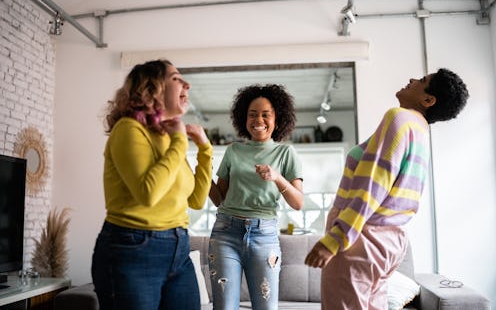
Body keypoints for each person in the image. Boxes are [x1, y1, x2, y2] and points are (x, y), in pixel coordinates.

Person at [305, 68, 469, 310]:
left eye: (422, 81)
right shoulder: (421, 131)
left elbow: (373, 184)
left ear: (428, 100)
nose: (412, 79)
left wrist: (335, 238)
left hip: (360, 239)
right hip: (389, 242)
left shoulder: (399, 118)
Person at [91, 59, 213, 310]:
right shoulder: (128, 129)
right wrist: (180, 141)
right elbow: (148, 193)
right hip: (132, 248)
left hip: (179, 249)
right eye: (177, 78)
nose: (187, 84)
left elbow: (197, 200)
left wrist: (204, 148)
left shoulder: (168, 138)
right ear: (152, 87)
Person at [208, 84, 304, 310]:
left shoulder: (285, 153)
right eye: (252, 114)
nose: (258, 120)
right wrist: (202, 175)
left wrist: (277, 178)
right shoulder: (233, 151)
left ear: (277, 119)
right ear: (244, 118)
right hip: (226, 233)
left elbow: (298, 202)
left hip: (265, 235)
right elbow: (219, 198)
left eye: (265, 114)